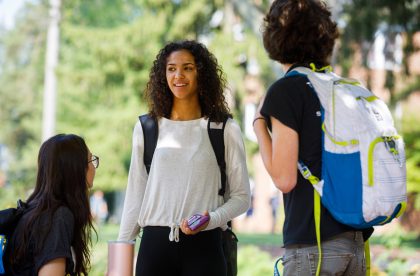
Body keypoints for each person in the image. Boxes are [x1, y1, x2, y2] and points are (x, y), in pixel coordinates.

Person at [253, 0, 373, 275]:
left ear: (275, 37)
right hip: (355, 244)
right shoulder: (341, 88)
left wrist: (259, 124)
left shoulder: (286, 91)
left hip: (314, 247)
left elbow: (284, 179)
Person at [118, 40, 251, 276]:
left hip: (205, 247)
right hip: (154, 248)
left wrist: (211, 218)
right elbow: (134, 197)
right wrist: (120, 261)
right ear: (163, 75)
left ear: (202, 73)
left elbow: (241, 197)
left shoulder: (224, 128)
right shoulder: (147, 127)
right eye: (171, 68)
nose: (178, 75)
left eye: (187, 67)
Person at [4, 134, 98, 275]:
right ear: (76, 169)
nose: (94, 167)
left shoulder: (34, 210)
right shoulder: (57, 217)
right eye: (91, 160)